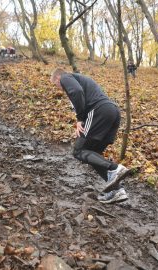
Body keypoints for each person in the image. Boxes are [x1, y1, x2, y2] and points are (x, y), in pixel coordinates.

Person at [50, 68, 131, 204]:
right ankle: (116, 191)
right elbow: (80, 93)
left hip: (100, 111)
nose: (59, 89)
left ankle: (115, 169)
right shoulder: (79, 80)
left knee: (78, 150)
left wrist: (80, 118)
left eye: (56, 85)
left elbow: (76, 92)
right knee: (93, 155)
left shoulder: (65, 77)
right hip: (112, 113)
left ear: (57, 78)